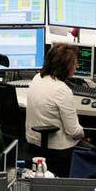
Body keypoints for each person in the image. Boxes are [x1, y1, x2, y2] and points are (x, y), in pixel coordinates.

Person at [25, 43, 86, 176]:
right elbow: (73, 131)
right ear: (65, 66)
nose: (76, 66)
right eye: (74, 63)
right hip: (59, 150)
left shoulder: (37, 78)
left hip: (33, 143)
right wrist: (85, 134)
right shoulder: (62, 90)